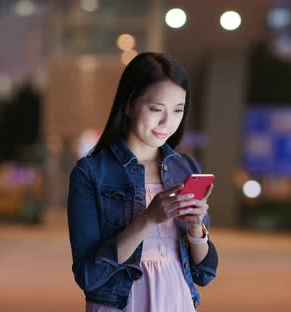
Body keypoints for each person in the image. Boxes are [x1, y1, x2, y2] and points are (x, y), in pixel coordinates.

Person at [67, 52, 218, 312]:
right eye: (156, 109)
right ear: (128, 105)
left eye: (177, 110)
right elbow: (88, 275)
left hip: (178, 300)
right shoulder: (91, 172)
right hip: (121, 302)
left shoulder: (187, 168)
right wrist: (148, 219)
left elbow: (204, 272)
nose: (166, 122)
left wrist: (196, 229)